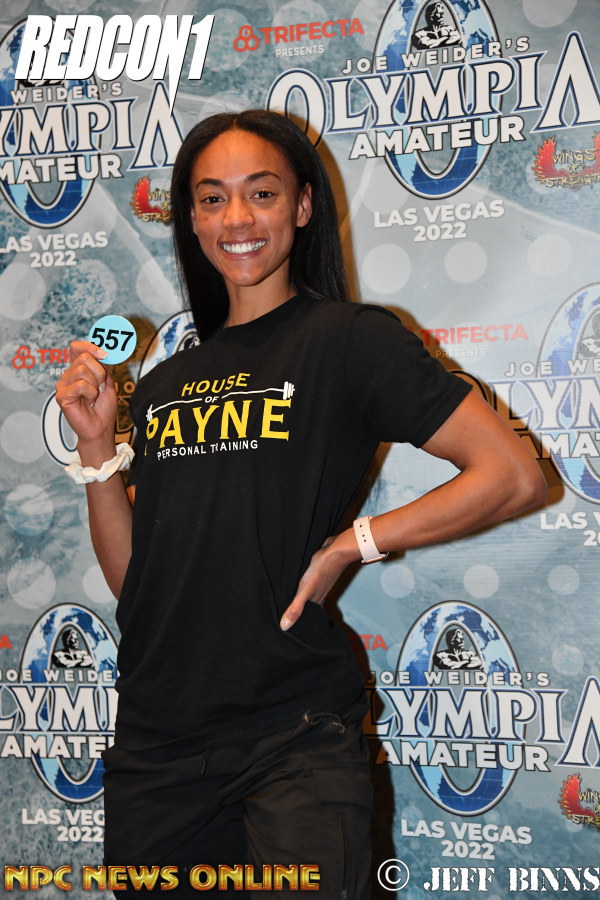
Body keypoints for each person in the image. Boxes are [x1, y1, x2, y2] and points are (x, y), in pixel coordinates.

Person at [56, 109, 546, 897]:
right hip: (156, 747)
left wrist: (356, 543)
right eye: (212, 199)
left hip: (292, 738)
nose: (237, 219)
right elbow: (135, 583)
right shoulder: (164, 383)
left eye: (262, 193)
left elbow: (512, 474)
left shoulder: (350, 339)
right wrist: (95, 450)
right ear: (191, 220)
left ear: (304, 205)